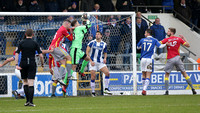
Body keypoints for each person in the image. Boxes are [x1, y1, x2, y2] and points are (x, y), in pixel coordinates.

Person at [160, 27, 197, 95]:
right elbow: (188, 45)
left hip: (170, 58)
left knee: (167, 75)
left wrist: (165, 44)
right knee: (184, 73)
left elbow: (159, 44)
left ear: (171, 32)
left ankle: (167, 91)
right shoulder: (179, 39)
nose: (167, 32)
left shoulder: (167, 39)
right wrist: (184, 38)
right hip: (177, 58)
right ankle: (193, 89)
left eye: (168, 31)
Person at [15, 29, 44, 107]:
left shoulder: (21, 43)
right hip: (31, 63)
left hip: (23, 64)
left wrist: (16, 64)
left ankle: (27, 101)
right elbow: (41, 55)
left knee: (25, 82)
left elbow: (17, 54)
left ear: (25, 34)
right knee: (31, 83)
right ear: (33, 35)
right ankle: (31, 102)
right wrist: (42, 63)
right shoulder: (35, 43)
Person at [137, 29, 166, 95]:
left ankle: (143, 89)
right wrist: (166, 44)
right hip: (149, 59)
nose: (144, 34)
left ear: (148, 33)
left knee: (143, 74)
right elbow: (160, 46)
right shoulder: (154, 40)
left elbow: (138, 47)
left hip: (143, 59)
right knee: (148, 74)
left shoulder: (142, 40)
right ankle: (144, 90)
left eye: (145, 33)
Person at [86, 31, 112, 97]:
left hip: (100, 61)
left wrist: (105, 58)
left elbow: (105, 52)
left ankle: (106, 88)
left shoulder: (104, 44)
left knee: (107, 73)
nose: (97, 35)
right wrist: (90, 61)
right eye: (96, 34)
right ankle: (93, 92)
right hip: (93, 62)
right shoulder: (91, 43)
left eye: (98, 34)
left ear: (101, 36)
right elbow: (87, 52)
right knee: (93, 76)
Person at [49, 19, 73, 86]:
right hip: (57, 47)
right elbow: (71, 39)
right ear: (67, 24)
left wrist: (71, 29)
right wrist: (71, 32)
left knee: (63, 62)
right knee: (69, 58)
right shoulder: (64, 30)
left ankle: (59, 78)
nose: (70, 27)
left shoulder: (61, 28)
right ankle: (69, 75)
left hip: (52, 47)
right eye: (70, 25)